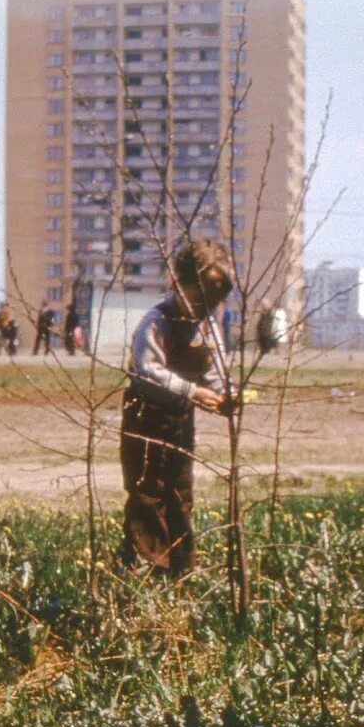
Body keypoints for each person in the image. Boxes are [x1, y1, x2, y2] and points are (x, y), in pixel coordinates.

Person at [119, 238, 233, 576]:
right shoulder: (157, 321)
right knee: (147, 492)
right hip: (145, 418)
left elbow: (215, 369)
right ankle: (142, 564)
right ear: (178, 284)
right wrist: (192, 391)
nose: (204, 310)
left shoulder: (206, 325)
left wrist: (225, 394)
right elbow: (148, 371)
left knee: (180, 492)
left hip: (179, 420)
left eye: (212, 305)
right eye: (199, 301)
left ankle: (180, 568)